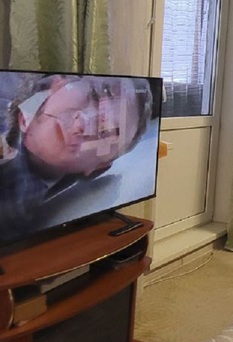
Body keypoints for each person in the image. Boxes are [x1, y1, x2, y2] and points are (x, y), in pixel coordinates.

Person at [0, 73, 153, 244]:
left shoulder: (19, 203)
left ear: (98, 167)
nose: (82, 122)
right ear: (59, 82)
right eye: (94, 94)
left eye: (105, 132)